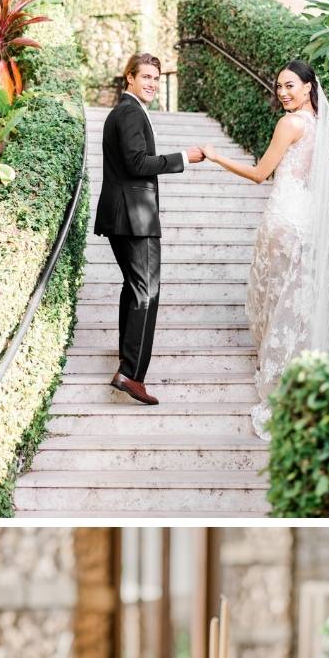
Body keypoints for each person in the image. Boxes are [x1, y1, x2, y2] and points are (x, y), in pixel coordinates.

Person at [201, 59, 329, 439]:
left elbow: (261, 173)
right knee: (296, 293)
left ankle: (282, 370)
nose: (282, 92)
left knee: (277, 294)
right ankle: (306, 365)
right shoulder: (318, 125)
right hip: (305, 218)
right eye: (279, 86)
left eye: (290, 85)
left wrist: (216, 156)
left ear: (309, 87)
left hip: (284, 218)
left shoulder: (290, 123)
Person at [93, 52, 205, 406]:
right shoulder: (128, 112)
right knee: (147, 292)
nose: (152, 84)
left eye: (156, 78)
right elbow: (137, 163)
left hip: (125, 215)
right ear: (129, 77)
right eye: (145, 77)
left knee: (135, 288)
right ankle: (130, 374)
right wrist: (184, 158)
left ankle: (127, 357)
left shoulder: (126, 111)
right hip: (134, 218)